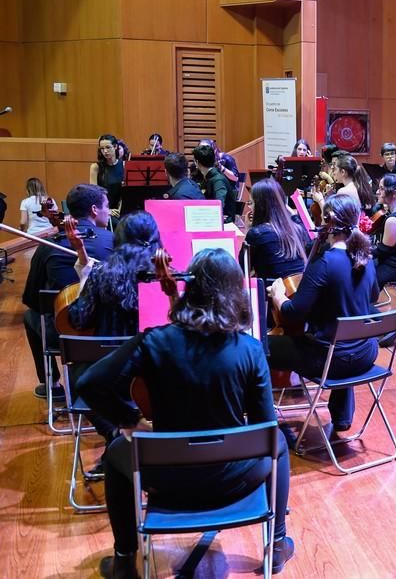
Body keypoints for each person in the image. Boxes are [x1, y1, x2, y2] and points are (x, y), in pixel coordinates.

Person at [76, 249, 293, 579]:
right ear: (234, 293)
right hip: (235, 481)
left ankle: (124, 560)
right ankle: (275, 546)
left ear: (189, 287)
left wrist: (131, 421)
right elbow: (264, 427)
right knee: (275, 441)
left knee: (118, 451)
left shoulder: (154, 341)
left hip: (166, 481)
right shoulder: (249, 349)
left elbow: (89, 383)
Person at [267, 195, 379, 433]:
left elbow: (293, 312)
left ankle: (264, 422)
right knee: (343, 332)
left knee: (259, 347)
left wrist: (278, 294)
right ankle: (341, 417)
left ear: (328, 220)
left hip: (333, 362)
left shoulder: (326, 263)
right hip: (366, 353)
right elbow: (373, 297)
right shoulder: (366, 257)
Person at [66, 211, 161, 470]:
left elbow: (78, 318)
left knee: (78, 378)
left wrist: (85, 278)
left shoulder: (102, 274)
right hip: (156, 380)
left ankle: (115, 435)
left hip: (110, 380)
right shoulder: (166, 276)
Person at [22, 184, 115, 400]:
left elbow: (33, 300)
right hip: (111, 334)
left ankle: (51, 385)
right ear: (94, 209)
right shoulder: (114, 241)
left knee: (30, 316)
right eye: (107, 206)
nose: (108, 212)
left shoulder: (46, 246)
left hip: (65, 338)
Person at [245, 178, 309, 280]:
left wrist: (248, 230)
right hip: (300, 291)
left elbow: (244, 270)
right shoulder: (298, 228)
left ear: (261, 206)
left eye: (251, 203)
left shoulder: (257, 234)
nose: (250, 208)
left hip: (273, 293)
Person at [193, 144, 239, 222]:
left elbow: (219, 203)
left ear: (197, 162)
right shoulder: (208, 177)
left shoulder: (218, 180)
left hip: (224, 225)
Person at [90, 134, 125, 219]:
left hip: (121, 210)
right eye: (102, 148)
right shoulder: (96, 167)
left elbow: (125, 193)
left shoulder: (124, 165)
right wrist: (107, 210)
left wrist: (119, 210)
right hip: (103, 210)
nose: (105, 151)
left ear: (115, 146)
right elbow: (94, 194)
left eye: (108, 147)